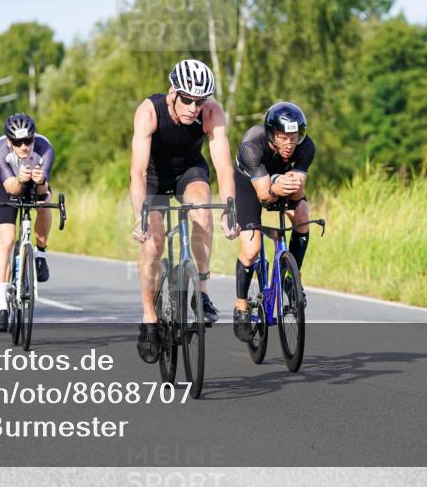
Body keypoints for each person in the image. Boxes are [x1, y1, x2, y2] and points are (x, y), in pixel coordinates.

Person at [130, 59, 238, 363]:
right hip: (153, 175)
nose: (193, 107)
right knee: (153, 243)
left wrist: (230, 210)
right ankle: (149, 317)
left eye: (200, 101)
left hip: (188, 172)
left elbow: (224, 168)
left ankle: (200, 293)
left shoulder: (212, 113)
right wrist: (141, 215)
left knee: (202, 209)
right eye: (187, 99)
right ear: (172, 93)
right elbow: (137, 172)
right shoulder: (150, 111)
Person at [231, 102, 316, 342]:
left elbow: (298, 191)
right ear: (271, 134)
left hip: (279, 182)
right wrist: (277, 186)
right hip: (251, 185)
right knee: (252, 249)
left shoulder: (306, 146)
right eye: (283, 137)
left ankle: (291, 279)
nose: (290, 143)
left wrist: (292, 186)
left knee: (302, 214)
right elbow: (264, 195)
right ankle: (241, 307)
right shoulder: (251, 144)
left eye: (294, 137)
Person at [0, 113, 55, 332]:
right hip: (10, 185)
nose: (24, 147)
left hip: (35, 183)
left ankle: (41, 254)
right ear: (9, 141)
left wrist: (40, 180)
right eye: (18, 142)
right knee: (6, 242)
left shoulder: (45, 147)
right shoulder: (0, 150)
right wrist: (20, 179)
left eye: (28, 140)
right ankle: (1, 308)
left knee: (45, 203)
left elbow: (43, 191)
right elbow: (12, 189)